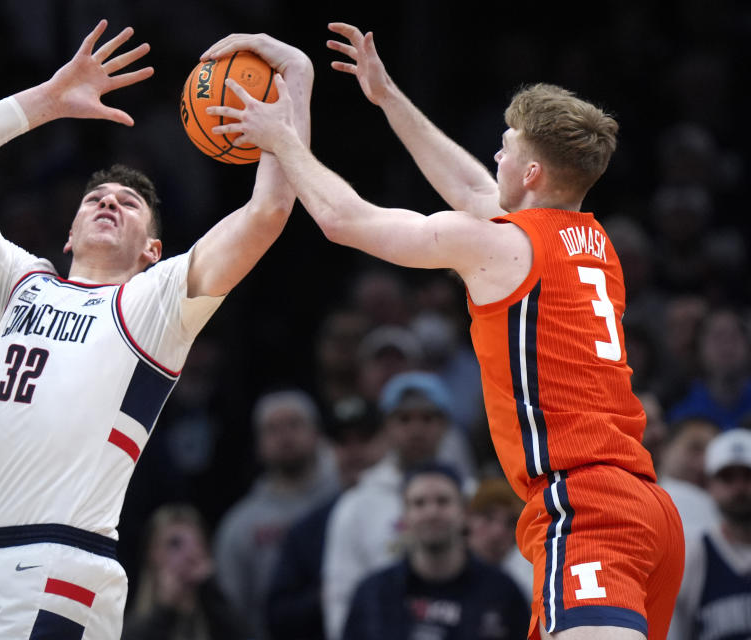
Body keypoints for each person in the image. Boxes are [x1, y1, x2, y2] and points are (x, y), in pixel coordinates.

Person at [206, 22, 684, 640]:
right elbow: (469, 188)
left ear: (533, 172)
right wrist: (386, 96)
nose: (496, 157)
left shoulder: (502, 245)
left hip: (586, 504)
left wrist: (282, 140)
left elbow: (343, 219)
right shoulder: (593, 244)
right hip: (647, 506)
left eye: (506, 148)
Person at [0, 22, 312, 639]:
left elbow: (268, 211)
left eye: (129, 203)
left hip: (62, 566)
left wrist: (295, 82)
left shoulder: (153, 302)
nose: (109, 202)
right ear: (68, 234)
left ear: (153, 250)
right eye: (96, 198)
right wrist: (46, 102)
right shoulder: (17, 285)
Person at [321, 371, 469, 640]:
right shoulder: (356, 504)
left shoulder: (471, 496)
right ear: (386, 427)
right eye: (404, 419)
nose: (416, 429)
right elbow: (340, 595)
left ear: (445, 425)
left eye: (428, 418)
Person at [342, 463, 530, 640]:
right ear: (404, 516)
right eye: (419, 503)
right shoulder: (373, 594)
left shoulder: (503, 593)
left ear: (464, 512)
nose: (431, 512)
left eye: (443, 501)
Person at [213, 389, 339, 639]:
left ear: (317, 433)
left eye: (294, 424)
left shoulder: (344, 503)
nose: (285, 436)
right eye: (272, 429)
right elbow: (231, 608)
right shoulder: (240, 524)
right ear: (258, 444)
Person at [265, 395, 386, 640]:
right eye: (342, 441)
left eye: (364, 438)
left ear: (386, 441)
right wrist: (329, 593)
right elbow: (277, 617)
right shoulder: (308, 529)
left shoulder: (414, 510)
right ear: (329, 449)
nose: (354, 451)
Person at [123, 504, 252, 640]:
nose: (189, 554)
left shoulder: (219, 616)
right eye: (175, 544)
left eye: (197, 543)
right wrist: (164, 610)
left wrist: (211, 591)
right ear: (152, 554)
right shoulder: (131, 625)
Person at [668, 428, 751, 640]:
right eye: (727, 478)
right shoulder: (694, 554)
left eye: (747, 476)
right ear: (708, 484)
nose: (739, 488)